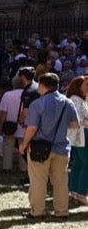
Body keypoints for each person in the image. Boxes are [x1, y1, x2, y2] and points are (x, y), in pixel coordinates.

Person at [19, 73, 79, 219]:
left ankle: (38, 211)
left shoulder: (38, 104)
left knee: (38, 181)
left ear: (42, 85)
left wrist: (24, 144)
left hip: (40, 148)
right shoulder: (68, 102)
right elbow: (75, 124)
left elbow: (32, 128)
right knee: (60, 182)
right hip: (62, 148)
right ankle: (61, 211)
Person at [66, 76, 88, 206]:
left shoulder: (79, 100)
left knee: (79, 163)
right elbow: (82, 118)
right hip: (82, 135)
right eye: (86, 84)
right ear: (78, 86)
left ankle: (74, 190)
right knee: (85, 164)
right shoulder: (76, 100)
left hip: (79, 136)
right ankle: (81, 193)